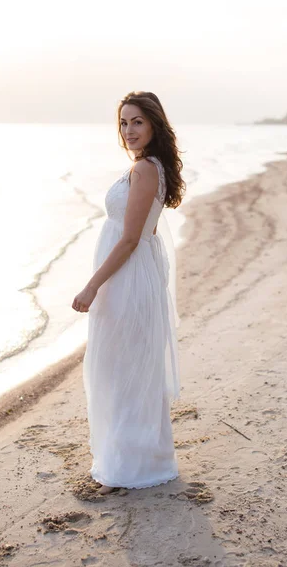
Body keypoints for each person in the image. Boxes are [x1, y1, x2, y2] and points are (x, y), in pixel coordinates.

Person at [72, 91, 186, 495]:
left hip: (126, 278)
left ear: (154, 123)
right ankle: (133, 459)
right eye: (123, 122)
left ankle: (130, 467)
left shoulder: (145, 171)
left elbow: (131, 240)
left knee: (123, 369)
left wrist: (91, 285)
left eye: (137, 121)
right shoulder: (148, 167)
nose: (129, 130)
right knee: (127, 367)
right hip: (131, 276)